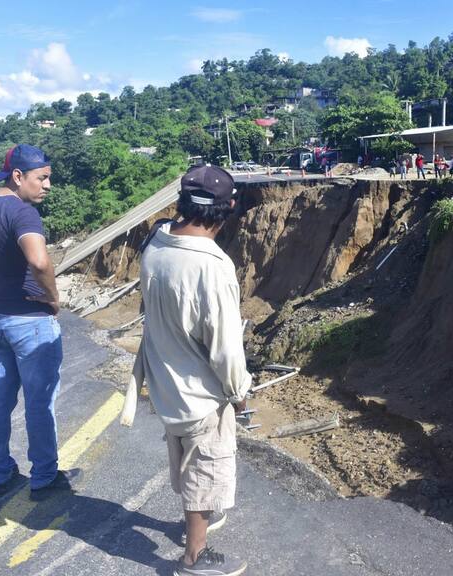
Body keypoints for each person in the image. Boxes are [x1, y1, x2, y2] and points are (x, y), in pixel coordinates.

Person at [138, 165, 252, 576]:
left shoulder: (156, 242)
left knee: (184, 456)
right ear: (229, 208)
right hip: (199, 392)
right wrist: (239, 393)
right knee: (206, 464)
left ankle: (197, 519)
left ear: (183, 202)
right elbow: (225, 348)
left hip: (164, 379)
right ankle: (194, 558)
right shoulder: (213, 266)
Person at [0, 144, 77, 499]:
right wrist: (52, 298)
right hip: (30, 322)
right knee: (39, 401)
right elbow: (39, 262)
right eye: (43, 178)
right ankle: (44, 475)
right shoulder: (23, 214)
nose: (49, 185)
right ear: (18, 176)